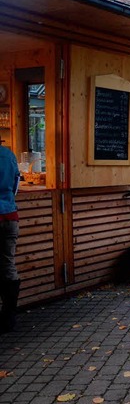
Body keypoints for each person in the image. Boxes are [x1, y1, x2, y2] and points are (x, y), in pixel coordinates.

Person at [0, 143, 21, 334]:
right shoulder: (8, 155)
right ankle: (9, 318)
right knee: (8, 264)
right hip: (10, 215)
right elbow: (16, 185)